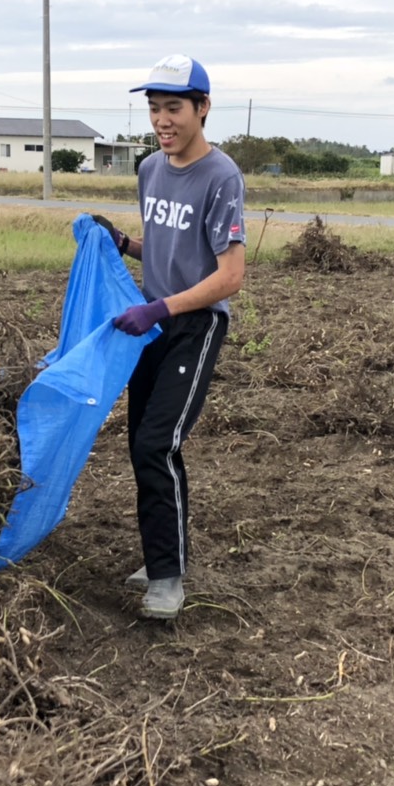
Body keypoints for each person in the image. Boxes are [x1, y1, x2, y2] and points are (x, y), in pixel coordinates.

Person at [89, 54, 246, 620]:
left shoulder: (221, 176)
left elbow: (230, 275)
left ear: (203, 109)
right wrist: (122, 243)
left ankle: (167, 577)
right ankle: (162, 553)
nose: (162, 120)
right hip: (152, 324)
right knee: (139, 444)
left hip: (194, 325)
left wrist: (161, 305)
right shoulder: (149, 169)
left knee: (159, 442)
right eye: (154, 108)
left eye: (174, 107)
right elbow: (166, 247)